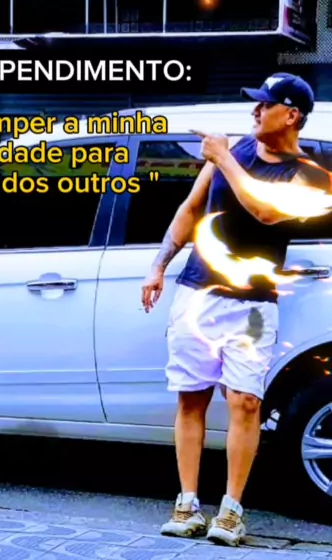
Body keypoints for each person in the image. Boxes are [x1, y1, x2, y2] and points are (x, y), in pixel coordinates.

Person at [141, 73, 330, 547]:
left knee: (245, 401)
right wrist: (158, 265)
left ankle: (231, 511)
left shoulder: (305, 174)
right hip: (198, 293)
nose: (255, 111)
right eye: (255, 103)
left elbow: (265, 211)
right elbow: (190, 209)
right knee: (191, 397)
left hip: (253, 304)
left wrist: (223, 157)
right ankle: (187, 503)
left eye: (265, 104)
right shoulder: (238, 149)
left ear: (292, 115)